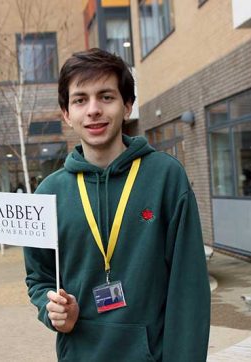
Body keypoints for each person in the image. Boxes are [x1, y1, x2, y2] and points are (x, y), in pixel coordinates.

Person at [23, 48, 210, 361]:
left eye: (106, 96)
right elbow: (39, 278)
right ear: (67, 114)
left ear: (127, 106)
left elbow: (188, 289)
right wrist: (51, 308)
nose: (93, 110)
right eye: (80, 99)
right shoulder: (47, 193)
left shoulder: (165, 177)